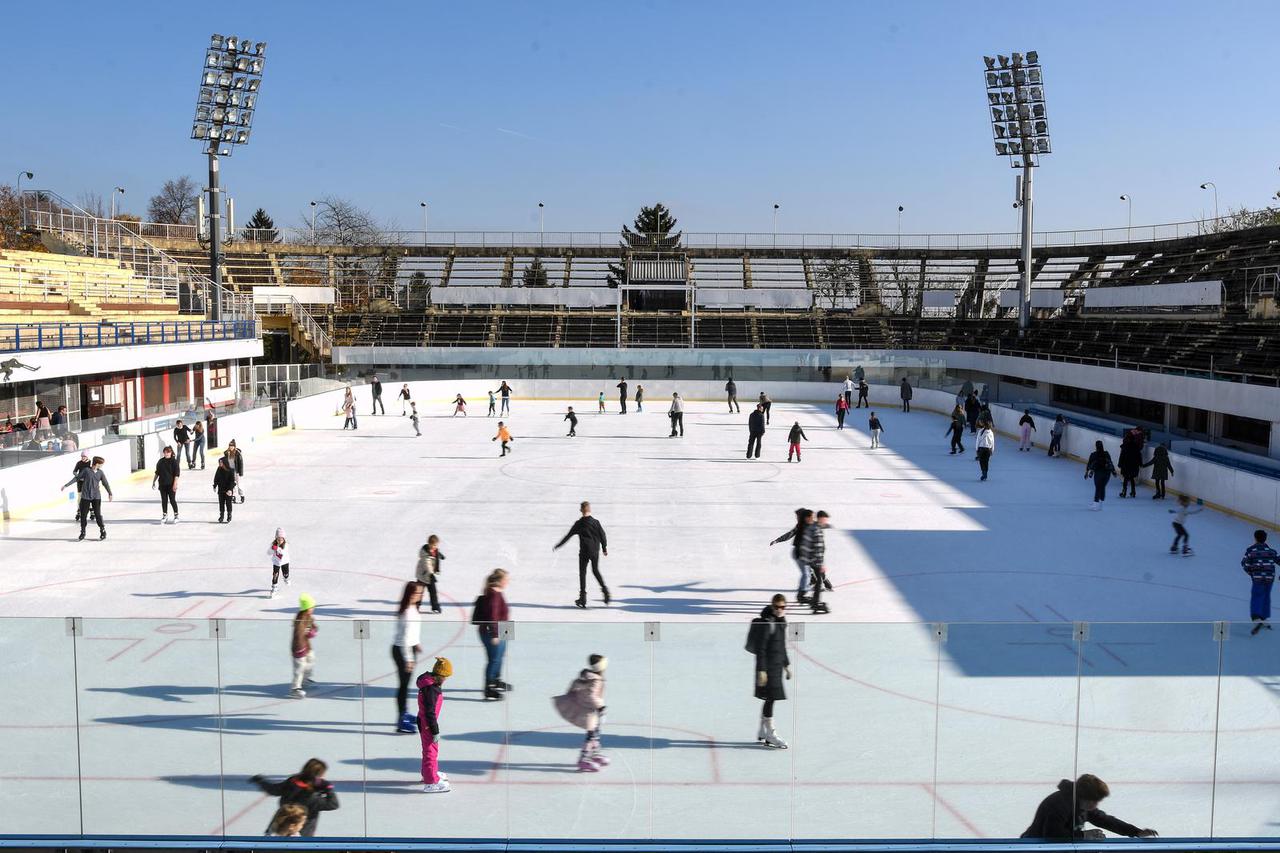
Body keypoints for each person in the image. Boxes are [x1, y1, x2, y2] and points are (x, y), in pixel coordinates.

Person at [1022, 774, 1157, 840]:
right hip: (1032, 847)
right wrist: (1083, 835)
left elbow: (1105, 820)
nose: (1096, 805)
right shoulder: (1059, 805)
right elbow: (1052, 835)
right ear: (1083, 796)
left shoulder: (1083, 805)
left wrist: (1136, 832)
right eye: (1094, 801)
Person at [746, 594, 791, 749]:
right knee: (771, 698)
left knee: (770, 698)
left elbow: (782, 645)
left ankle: (763, 731)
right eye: (777, 607)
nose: (780, 610)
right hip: (768, 667)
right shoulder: (768, 623)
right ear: (772, 607)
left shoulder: (781, 622)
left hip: (777, 666)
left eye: (783, 607)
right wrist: (762, 670)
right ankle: (770, 733)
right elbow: (761, 649)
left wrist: (786, 665)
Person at [249, 758, 338, 837]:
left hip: (279, 827)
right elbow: (333, 804)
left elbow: (274, 790)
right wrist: (329, 789)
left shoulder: (292, 782)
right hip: (302, 833)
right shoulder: (312, 797)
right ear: (318, 776)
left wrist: (261, 781)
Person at [554, 654, 610, 772]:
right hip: (589, 712)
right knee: (591, 736)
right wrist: (601, 708)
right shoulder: (596, 680)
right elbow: (592, 696)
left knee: (596, 733)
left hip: (588, 709)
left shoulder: (586, 677)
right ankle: (584, 759)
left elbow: (573, 687)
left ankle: (594, 754)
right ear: (601, 667)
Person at [555, 502, 610, 608]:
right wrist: (604, 548)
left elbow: (568, 535)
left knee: (582, 573)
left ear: (581, 510)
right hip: (594, 551)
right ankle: (605, 592)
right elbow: (602, 535)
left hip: (584, 551)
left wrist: (559, 545)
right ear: (590, 510)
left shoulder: (579, 523)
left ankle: (583, 598)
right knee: (595, 570)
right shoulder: (596, 522)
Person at [472, 569, 511, 699]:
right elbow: (492, 616)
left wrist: (506, 632)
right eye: (506, 579)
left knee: (500, 656)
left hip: (504, 627)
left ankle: (495, 680)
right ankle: (489, 688)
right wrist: (495, 634)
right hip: (494, 630)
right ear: (500, 581)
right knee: (493, 659)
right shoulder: (493, 594)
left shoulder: (497, 592)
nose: (508, 582)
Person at [417, 657, 454, 792]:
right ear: (439, 675)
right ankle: (431, 782)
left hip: (425, 722)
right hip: (428, 724)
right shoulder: (431, 690)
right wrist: (435, 730)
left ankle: (428, 773)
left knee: (428, 750)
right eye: (445, 676)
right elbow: (430, 712)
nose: (445, 679)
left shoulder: (428, 683)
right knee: (431, 751)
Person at [393, 581, 424, 732]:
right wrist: (409, 659)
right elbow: (404, 637)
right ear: (411, 594)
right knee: (403, 686)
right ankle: (401, 719)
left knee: (405, 684)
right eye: (418, 592)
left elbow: (412, 632)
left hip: (410, 648)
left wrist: (416, 643)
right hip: (402, 650)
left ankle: (404, 712)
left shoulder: (412, 608)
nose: (420, 595)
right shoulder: (406, 612)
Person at [770, 508, 814, 605]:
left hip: (804, 552)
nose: (797, 518)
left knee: (807, 573)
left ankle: (804, 591)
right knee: (806, 573)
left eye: (798, 516)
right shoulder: (800, 525)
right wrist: (777, 540)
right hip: (799, 552)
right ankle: (801, 594)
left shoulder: (809, 525)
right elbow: (790, 534)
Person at [64, 455, 112, 541]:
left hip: (96, 497)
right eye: (101, 464)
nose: (102, 465)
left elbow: (105, 483)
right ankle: (83, 532)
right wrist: (66, 485)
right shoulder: (86, 470)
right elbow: (77, 478)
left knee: (97, 515)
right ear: (97, 464)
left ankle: (102, 530)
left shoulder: (100, 472)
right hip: (85, 496)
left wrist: (110, 493)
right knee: (83, 515)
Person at [1243, 530, 1279, 635]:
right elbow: (1278, 560)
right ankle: (1264, 618)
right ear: (1265, 539)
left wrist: (1251, 573)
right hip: (1269, 577)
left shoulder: (1251, 551)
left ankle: (1256, 618)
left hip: (1258, 578)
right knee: (1266, 596)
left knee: (1257, 595)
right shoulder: (1271, 551)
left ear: (1255, 538)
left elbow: (1244, 564)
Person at [801, 510, 832, 614]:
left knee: (818, 581)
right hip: (814, 559)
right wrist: (821, 564)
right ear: (820, 518)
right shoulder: (817, 530)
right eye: (825, 520)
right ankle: (815, 604)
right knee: (818, 581)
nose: (826, 522)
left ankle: (815, 602)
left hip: (809, 558)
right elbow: (818, 548)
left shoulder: (813, 527)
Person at [290, 594, 318, 698]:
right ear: (307, 608)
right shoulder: (300, 620)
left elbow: (313, 626)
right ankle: (295, 688)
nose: (313, 608)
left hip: (306, 646)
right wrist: (299, 649)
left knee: (311, 660)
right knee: (299, 668)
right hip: (299, 648)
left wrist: (313, 630)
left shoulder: (309, 617)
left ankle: (305, 679)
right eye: (312, 607)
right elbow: (298, 635)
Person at [414, 534, 445, 614]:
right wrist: (431, 573)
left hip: (429, 575)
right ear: (429, 544)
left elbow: (435, 553)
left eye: (436, 545)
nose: (435, 546)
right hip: (423, 575)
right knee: (419, 592)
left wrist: (440, 555)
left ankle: (435, 607)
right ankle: (415, 607)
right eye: (434, 545)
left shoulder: (435, 550)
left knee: (433, 592)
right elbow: (427, 563)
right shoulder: (425, 553)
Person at [151, 445, 180, 524]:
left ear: (171, 453)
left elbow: (176, 474)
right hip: (162, 484)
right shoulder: (160, 461)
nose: (166, 454)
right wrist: (154, 481)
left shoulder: (174, 462)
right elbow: (157, 473)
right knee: (164, 500)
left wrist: (175, 484)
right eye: (165, 452)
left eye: (168, 452)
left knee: (172, 500)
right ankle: (165, 515)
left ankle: (176, 515)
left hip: (171, 485)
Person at [1085, 440, 1116, 510]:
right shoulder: (1106, 453)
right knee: (1102, 487)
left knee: (1098, 487)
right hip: (1107, 474)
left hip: (1099, 473)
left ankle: (1096, 504)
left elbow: (1089, 465)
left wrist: (1087, 473)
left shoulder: (1093, 454)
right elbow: (1110, 463)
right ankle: (1100, 504)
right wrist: (1113, 472)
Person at [1118, 429, 1143, 498]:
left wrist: (1120, 464)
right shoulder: (1136, 447)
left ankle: (1124, 491)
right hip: (1134, 465)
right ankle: (1133, 492)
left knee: (1126, 478)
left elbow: (1122, 456)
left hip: (1126, 465)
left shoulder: (1125, 447)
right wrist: (1140, 464)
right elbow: (1139, 456)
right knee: (1132, 478)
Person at [69, 452, 92, 522]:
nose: (83, 458)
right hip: (80, 483)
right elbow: (74, 471)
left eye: (84, 456)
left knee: (89, 497)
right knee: (80, 497)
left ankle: (91, 509)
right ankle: (79, 510)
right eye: (82, 456)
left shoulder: (90, 463)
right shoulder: (79, 463)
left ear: (87, 457)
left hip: (88, 483)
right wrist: (78, 476)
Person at [213, 456, 237, 523]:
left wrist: (230, 489)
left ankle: (229, 515)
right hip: (221, 489)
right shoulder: (219, 469)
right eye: (219, 462)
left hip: (228, 490)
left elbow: (233, 481)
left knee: (228, 503)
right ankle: (222, 516)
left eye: (221, 462)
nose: (220, 464)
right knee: (221, 503)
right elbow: (216, 478)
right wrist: (214, 485)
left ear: (225, 463)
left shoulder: (231, 470)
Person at [268, 528, 291, 598]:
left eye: (281, 539)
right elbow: (268, 552)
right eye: (278, 539)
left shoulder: (286, 545)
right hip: (276, 562)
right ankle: (274, 587)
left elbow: (283, 552)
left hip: (285, 562)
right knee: (275, 575)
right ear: (276, 538)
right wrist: (271, 549)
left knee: (285, 573)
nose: (280, 540)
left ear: (284, 539)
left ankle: (286, 578)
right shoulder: (273, 544)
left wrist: (277, 548)